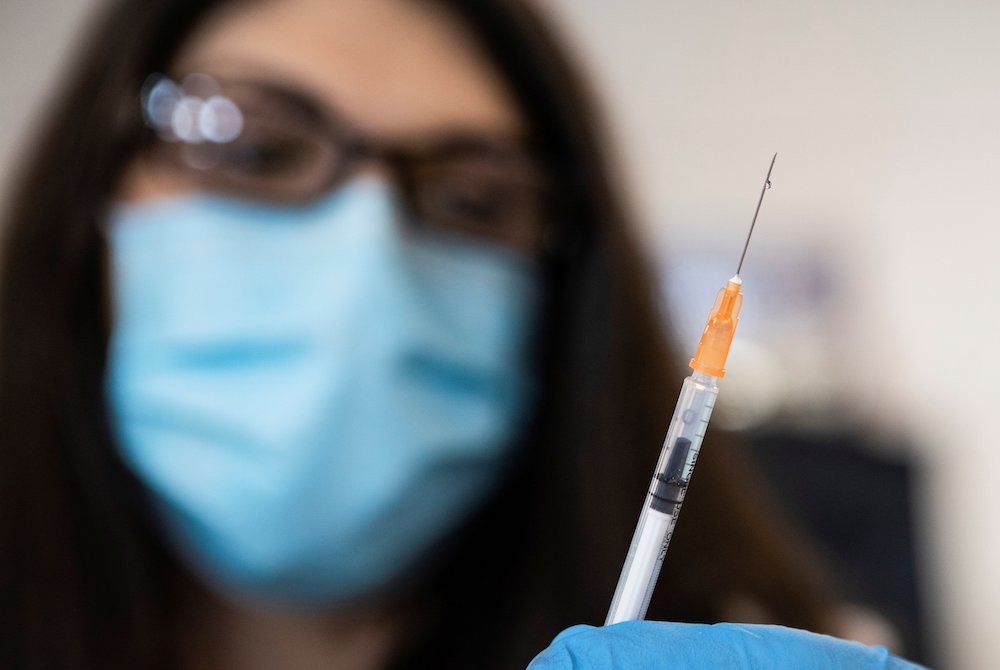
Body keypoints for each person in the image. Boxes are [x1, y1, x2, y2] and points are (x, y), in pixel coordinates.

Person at [0, 0, 922, 668]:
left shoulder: (726, 638)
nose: (366, 255)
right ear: (91, 194)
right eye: (255, 148)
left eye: (474, 198)